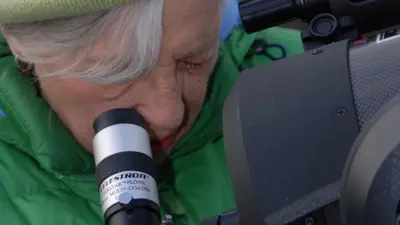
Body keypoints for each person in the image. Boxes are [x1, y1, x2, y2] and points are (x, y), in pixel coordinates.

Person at [0, 0, 304, 224]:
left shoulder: (312, 72)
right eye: (118, 73)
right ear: (21, 42)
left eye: (194, 60)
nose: (169, 114)